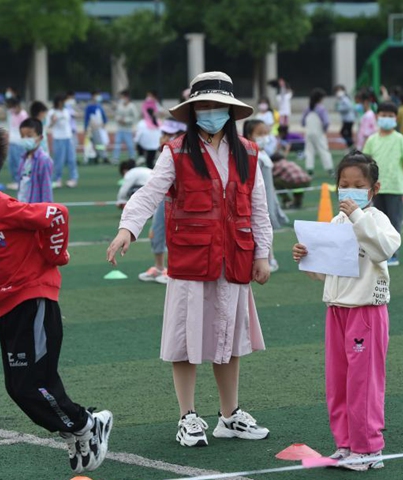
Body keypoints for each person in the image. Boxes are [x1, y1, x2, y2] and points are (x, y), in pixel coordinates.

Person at [106, 71, 272, 448]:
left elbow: (257, 207)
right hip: (192, 259)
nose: (210, 111)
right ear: (192, 109)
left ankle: (229, 416)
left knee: (229, 339)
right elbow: (149, 193)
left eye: (217, 105)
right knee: (186, 338)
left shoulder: (248, 151)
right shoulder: (176, 150)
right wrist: (126, 229)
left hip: (234, 258)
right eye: (203, 105)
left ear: (230, 110)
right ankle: (188, 416)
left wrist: (262, 254)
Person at [0, 126, 113, 474]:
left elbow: (56, 215)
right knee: (17, 387)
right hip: (5, 305)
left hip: (33, 299)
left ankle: (86, 425)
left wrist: (54, 256)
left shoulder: (5, 207)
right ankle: (76, 429)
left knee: (34, 382)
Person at [292, 152, 401, 471]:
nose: (349, 192)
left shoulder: (377, 220)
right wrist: (305, 258)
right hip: (337, 311)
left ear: (373, 189)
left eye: (358, 185)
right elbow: (326, 272)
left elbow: (384, 249)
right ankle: (346, 445)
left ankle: (368, 449)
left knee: (362, 382)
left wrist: (358, 216)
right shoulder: (335, 223)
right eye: (343, 185)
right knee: (337, 381)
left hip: (366, 311)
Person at [135, 118, 187, 285]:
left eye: (169, 134)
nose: (163, 137)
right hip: (164, 199)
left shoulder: (186, 152)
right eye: (163, 133)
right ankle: (159, 267)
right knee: (156, 232)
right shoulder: (164, 152)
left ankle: (175, 269)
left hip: (181, 201)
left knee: (179, 234)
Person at [363, 102, 403, 266]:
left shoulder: (399, 138)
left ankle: (393, 254)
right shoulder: (372, 139)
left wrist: (400, 176)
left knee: (393, 222)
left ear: (396, 118)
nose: (387, 119)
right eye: (383, 115)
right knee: (377, 222)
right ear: (377, 117)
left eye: (391, 116)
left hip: (395, 187)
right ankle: (380, 253)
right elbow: (365, 162)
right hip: (376, 188)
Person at [244, 119, 288, 272]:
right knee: (259, 229)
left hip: (268, 198)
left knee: (265, 228)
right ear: (249, 135)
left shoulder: (263, 154)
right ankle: (267, 258)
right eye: (260, 133)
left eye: (266, 133)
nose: (265, 137)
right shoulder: (251, 155)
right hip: (259, 200)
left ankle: (270, 257)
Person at [18, 118, 54, 203]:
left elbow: (46, 190)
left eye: (29, 136)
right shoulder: (23, 159)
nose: (25, 139)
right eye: (22, 136)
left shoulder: (44, 160)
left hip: (35, 208)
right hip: (23, 205)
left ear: (40, 137)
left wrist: (46, 211)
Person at [302, 88, 334, 177]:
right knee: (323, 150)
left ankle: (309, 170)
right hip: (319, 132)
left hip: (309, 132)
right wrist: (324, 129)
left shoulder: (308, 108)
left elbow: (303, 122)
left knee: (309, 151)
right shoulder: (321, 109)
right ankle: (330, 169)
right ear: (320, 98)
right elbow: (326, 122)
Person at [49, 95, 78, 189]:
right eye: (61, 102)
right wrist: (53, 121)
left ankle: (73, 179)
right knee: (59, 160)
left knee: (71, 159)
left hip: (68, 137)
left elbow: (72, 117)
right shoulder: (52, 112)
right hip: (58, 138)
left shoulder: (66, 110)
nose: (62, 103)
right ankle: (57, 179)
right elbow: (49, 125)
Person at [135, 95, 162, 168]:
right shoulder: (158, 122)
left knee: (149, 162)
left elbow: (138, 136)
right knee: (151, 160)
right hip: (156, 145)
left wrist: (136, 142)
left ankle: (142, 157)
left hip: (147, 145)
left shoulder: (142, 123)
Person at [112, 90, 138, 163]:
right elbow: (116, 115)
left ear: (126, 97)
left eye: (122, 97)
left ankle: (132, 157)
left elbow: (135, 117)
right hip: (120, 128)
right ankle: (115, 158)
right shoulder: (119, 105)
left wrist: (126, 120)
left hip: (128, 129)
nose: (121, 99)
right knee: (117, 143)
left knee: (130, 144)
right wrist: (118, 119)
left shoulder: (132, 106)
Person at [85, 91, 109, 164]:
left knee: (99, 143)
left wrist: (104, 123)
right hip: (93, 128)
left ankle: (98, 155)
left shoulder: (99, 106)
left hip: (100, 128)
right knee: (97, 143)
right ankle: (102, 156)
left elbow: (104, 117)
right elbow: (86, 118)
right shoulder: (89, 107)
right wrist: (86, 128)